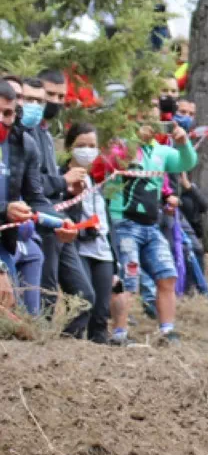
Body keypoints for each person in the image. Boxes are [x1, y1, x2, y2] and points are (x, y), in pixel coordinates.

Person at [109, 118, 197, 344]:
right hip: (124, 222)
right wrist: (131, 140)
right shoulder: (122, 147)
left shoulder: (161, 152)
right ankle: (119, 333)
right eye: (143, 119)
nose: (149, 126)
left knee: (167, 274)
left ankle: (167, 331)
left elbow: (186, 163)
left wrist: (183, 142)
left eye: (154, 121)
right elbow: (109, 162)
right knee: (128, 279)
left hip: (151, 225)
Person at [23, 78, 95, 336]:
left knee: (84, 297)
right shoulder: (23, 134)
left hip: (58, 221)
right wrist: (62, 181)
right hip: (38, 223)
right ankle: (42, 348)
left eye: (59, 97)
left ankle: (63, 348)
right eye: (48, 96)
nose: (54, 102)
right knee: (46, 296)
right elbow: (30, 184)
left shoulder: (45, 133)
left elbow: (45, 185)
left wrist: (67, 189)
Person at [64, 123, 126, 344]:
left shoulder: (98, 180)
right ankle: (69, 344)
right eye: (81, 145)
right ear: (69, 147)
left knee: (101, 311)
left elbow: (106, 219)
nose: (87, 150)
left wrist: (115, 257)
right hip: (77, 248)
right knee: (83, 301)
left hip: (103, 251)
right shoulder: (62, 178)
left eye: (92, 146)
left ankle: (99, 355)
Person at [0, 79, 53, 317]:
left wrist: (60, 222)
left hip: (5, 240)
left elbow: (36, 197)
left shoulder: (23, 144)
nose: (2, 119)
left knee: (22, 319)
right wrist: (5, 210)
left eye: (8, 113)